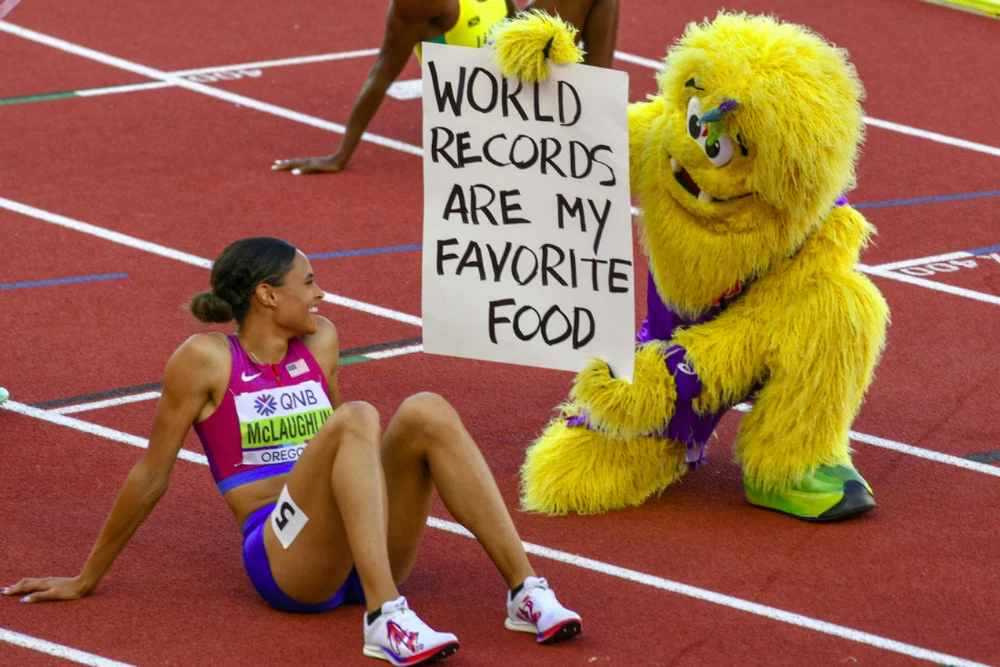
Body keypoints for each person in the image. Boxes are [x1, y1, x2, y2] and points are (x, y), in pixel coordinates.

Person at [1, 237, 582, 666]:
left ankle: (526, 592)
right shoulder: (204, 359)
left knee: (426, 408)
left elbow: (345, 452)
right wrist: (86, 577)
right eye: (309, 282)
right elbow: (152, 473)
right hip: (282, 556)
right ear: (267, 294)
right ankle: (385, 618)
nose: (321, 292)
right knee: (356, 417)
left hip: (354, 545)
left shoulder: (321, 339)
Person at [271, 0, 619, 175]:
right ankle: (588, 126)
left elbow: (511, 24)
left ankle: (595, 113)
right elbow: (382, 71)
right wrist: (340, 155)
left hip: (514, 80)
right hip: (475, 108)